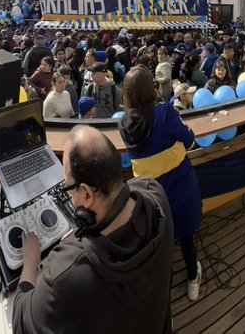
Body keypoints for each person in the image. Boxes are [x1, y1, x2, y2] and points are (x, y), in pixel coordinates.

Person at [11, 125, 174, 333]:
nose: (70, 196)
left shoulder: (66, 274)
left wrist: (31, 264)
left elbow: (21, 321)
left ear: (87, 195)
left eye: (69, 188)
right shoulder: (154, 193)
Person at [117, 67, 204, 301]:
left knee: (161, 239)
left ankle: (160, 291)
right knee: (186, 237)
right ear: (151, 88)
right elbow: (189, 140)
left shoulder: (124, 125)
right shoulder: (165, 113)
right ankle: (193, 278)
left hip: (150, 195)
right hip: (179, 185)